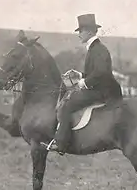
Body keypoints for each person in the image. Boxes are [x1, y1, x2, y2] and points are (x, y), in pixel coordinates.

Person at [48, 14, 123, 154]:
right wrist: (80, 75)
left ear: (89, 31)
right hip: (99, 88)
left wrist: (84, 82)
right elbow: (96, 72)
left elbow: (102, 73)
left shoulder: (99, 49)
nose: (79, 35)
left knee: (67, 105)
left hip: (103, 92)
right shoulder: (94, 48)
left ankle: (61, 143)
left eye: (80, 31)